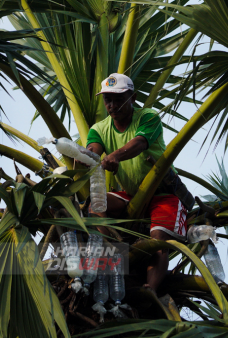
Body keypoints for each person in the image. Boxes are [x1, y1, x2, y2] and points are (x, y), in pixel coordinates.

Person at [86, 73, 187, 294]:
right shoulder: (99, 128)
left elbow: (139, 143)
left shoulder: (148, 118)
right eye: (107, 100)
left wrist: (115, 156)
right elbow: (93, 150)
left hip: (164, 194)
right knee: (96, 203)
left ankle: (150, 288)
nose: (112, 105)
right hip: (130, 194)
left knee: (159, 241)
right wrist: (83, 157)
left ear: (133, 98)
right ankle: (109, 247)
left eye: (118, 99)